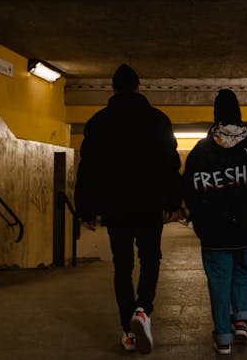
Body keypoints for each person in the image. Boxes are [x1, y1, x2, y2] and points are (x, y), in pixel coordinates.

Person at [74, 63, 181, 354]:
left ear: (113, 88)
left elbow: (89, 170)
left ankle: (128, 331)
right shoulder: (158, 120)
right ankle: (143, 310)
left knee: (122, 266)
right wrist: (173, 202)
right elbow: (170, 164)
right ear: (138, 87)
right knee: (150, 258)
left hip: (115, 206)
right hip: (149, 204)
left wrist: (86, 209)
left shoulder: (98, 122)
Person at [182, 89, 247, 355]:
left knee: (219, 281)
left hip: (212, 232)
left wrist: (199, 212)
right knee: (244, 272)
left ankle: (223, 337)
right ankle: (242, 323)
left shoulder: (200, 152)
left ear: (216, 114)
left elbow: (188, 189)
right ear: (239, 113)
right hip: (245, 229)